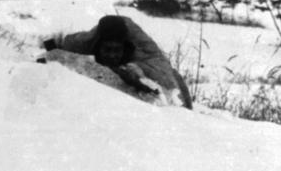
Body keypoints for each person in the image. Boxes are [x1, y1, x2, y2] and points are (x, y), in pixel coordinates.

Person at [44, 15, 193, 109]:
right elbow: (62, 47)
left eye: (117, 50)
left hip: (142, 64)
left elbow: (168, 79)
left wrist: (137, 74)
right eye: (107, 49)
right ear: (97, 47)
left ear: (125, 49)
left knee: (174, 75)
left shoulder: (143, 51)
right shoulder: (86, 42)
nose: (112, 55)